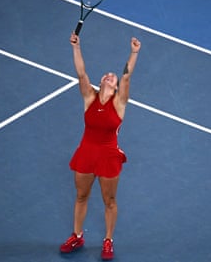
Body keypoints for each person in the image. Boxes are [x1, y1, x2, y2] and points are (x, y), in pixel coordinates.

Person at [60, 32, 141, 260]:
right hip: (86, 153)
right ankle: (77, 235)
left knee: (110, 201)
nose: (110, 76)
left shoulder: (119, 102)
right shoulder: (89, 97)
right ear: (101, 82)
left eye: (112, 77)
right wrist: (76, 47)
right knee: (81, 196)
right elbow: (81, 73)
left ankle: (108, 240)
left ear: (116, 87)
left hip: (108, 156)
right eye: (106, 75)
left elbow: (126, 77)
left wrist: (133, 53)